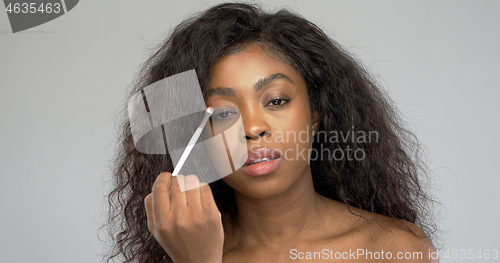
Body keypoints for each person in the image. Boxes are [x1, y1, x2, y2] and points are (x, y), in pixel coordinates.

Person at [105, 3, 438, 262]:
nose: (252, 128)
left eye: (276, 100)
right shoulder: (179, 255)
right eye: (221, 113)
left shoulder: (397, 249)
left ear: (315, 116)